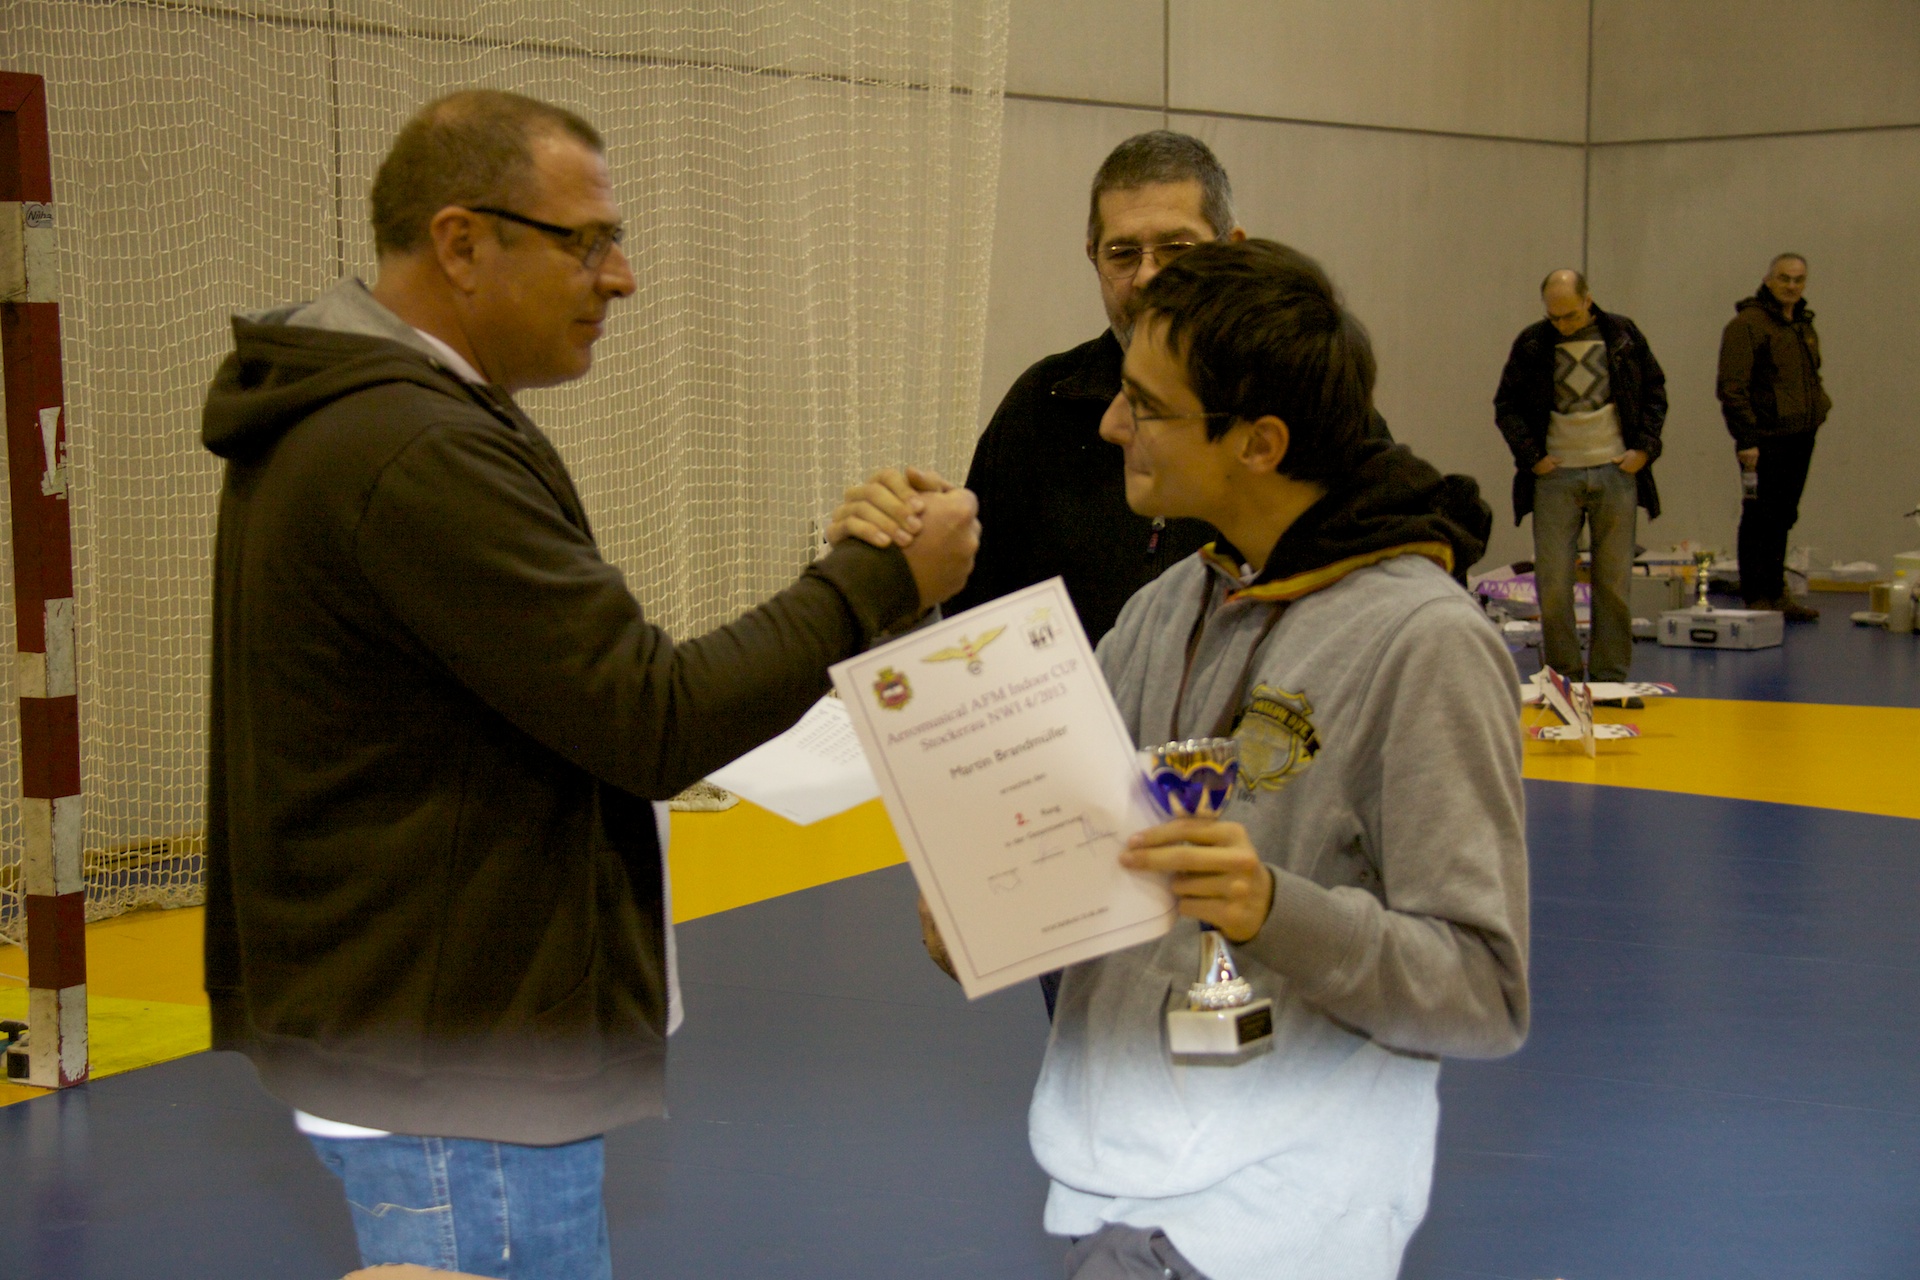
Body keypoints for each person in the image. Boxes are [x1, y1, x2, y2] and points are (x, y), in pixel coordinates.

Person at [200, 89, 978, 1279]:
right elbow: (650, 716)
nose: (621, 277)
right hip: (461, 1069)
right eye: (587, 241)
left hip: (434, 1043)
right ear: (462, 242)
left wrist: (855, 583)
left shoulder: (390, 419)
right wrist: (874, 580)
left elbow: (583, 689)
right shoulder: (411, 448)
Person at [922, 241, 1528, 1279]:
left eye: (1147, 407)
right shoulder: (1163, 611)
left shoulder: (1424, 644)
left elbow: (1482, 991)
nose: (1113, 426)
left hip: (1277, 1225)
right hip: (1108, 1190)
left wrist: (1272, 909)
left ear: (1260, 442)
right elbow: (1075, 868)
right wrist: (982, 912)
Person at [1493, 269, 1667, 695]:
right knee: (1553, 582)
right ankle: (1563, 678)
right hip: (1555, 475)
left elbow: (1655, 392)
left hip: (1616, 470)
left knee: (1614, 582)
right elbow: (1506, 405)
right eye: (1553, 317)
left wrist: (1644, 450)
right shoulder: (1532, 342)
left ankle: (1609, 679)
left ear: (1588, 300)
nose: (1562, 325)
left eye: (1569, 315)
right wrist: (1533, 459)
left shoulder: (1623, 334)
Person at [1718, 253, 1830, 621]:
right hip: (1764, 439)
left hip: (1800, 434)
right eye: (1784, 278)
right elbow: (1732, 388)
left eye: (1798, 279)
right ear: (1768, 280)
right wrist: (1746, 439)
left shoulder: (1802, 325)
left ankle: (1776, 593)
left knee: (1784, 515)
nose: (1792, 286)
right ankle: (1757, 596)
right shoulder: (1747, 325)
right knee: (1759, 516)